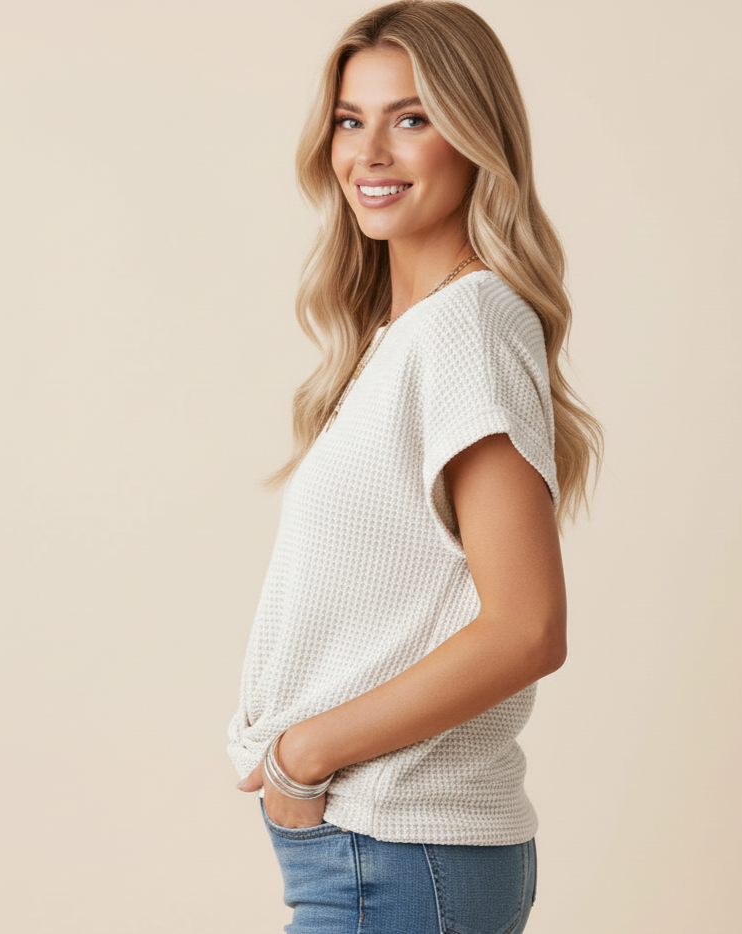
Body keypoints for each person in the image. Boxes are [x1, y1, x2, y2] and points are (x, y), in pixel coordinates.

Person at [227, 2, 602, 930]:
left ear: (476, 135)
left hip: (393, 850)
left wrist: (304, 755)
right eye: (350, 121)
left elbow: (527, 628)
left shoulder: (464, 328)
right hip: (381, 853)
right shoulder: (403, 337)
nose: (370, 153)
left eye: (412, 118)